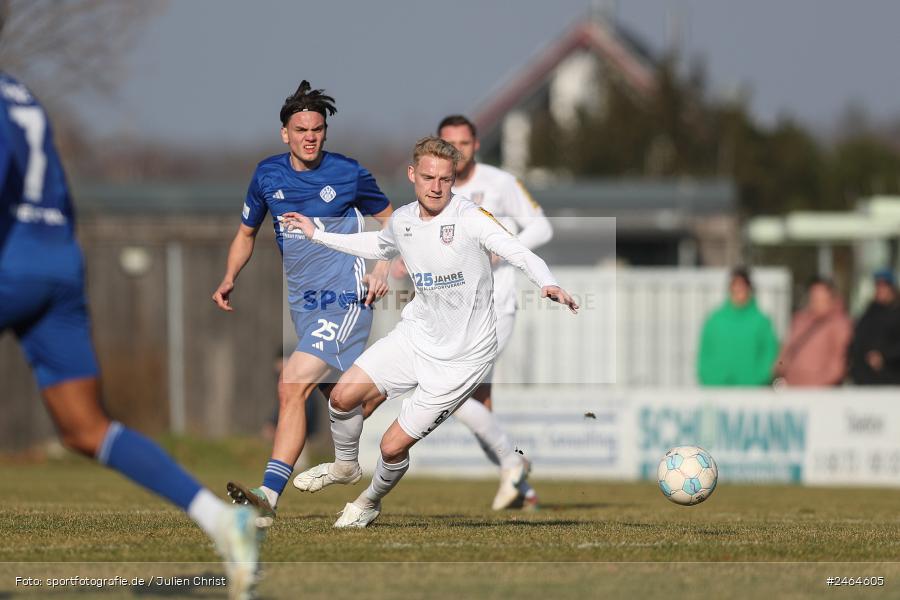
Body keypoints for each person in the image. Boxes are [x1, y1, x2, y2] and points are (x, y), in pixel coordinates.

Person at [0, 73, 257, 597]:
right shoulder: (20, 92)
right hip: (59, 260)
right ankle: (222, 521)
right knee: (85, 429)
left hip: (12, 258)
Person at [287, 137, 578, 528]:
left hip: (463, 359)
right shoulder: (404, 219)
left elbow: (518, 251)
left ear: (453, 178)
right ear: (413, 175)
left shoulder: (471, 216)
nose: (436, 186)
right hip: (416, 335)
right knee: (341, 395)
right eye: (428, 177)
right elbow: (377, 243)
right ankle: (344, 467)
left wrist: (547, 282)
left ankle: (370, 500)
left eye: (445, 178)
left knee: (391, 447)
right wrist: (316, 233)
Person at [213, 81, 392, 527]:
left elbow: (395, 221)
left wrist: (384, 266)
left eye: (317, 129)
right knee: (347, 401)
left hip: (347, 298)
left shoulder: (347, 173)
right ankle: (390, 393)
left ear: (325, 132)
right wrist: (231, 275)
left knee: (291, 385)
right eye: (301, 129)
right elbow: (246, 233)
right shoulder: (267, 175)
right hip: (305, 304)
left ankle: (267, 497)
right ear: (285, 134)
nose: (310, 136)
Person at [365, 115, 552, 510]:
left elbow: (542, 229)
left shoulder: (498, 184)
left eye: (465, 143)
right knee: (476, 404)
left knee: (456, 397)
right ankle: (521, 485)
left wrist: (501, 247)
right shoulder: (432, 197)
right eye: (451, 144)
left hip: (493, 309)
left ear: (476, 145)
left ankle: (511, 463)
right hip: (444, 319)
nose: (459, 151)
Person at [697, 267, 779, 386]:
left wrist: (758, 379)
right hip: (717, 391)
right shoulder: (715, 320)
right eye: (735, 285)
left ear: (749, 289)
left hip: (752, 393)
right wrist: (711, 379)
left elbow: (770, 355)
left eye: (742, 285)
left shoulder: (761, 321)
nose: (738, 289)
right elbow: (704, 355)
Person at [774, 277, 852, 386]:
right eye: (813, 296)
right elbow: (786, 350)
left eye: (820, 297)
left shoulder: (839, 324)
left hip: (819, 393)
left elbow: (838, 364)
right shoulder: (799, 320)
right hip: (792, 387)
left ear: (830, 297)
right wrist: (780, 367)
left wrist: (816, 386)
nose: (815, 300)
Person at [849, 269, 900, 385]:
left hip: (891, 379)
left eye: (885, 285)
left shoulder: (897, 313)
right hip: (865, 379)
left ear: (892, 288)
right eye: (878, 285)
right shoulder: (869, 313)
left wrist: (884, 356)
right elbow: (858, 339)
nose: (881, 289)